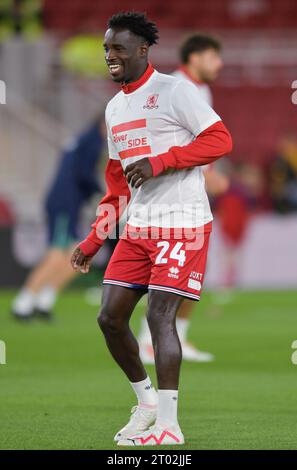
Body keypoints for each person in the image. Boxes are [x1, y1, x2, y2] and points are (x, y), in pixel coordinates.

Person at [71, 12, 232, 446]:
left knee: (160, 316)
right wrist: (93, 239)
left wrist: (162, 161)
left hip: (183, 224)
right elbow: (118, 184)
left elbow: (220, 140)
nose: (110, 56)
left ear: (143, 50)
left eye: (118, 48)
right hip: (138, 227)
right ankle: (145, 405)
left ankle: (169, 427)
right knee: (109, 318)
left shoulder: (175, 90)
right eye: (107, 48)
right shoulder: (115, 107)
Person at [138, 33, 229, 363]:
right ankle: (150, 341)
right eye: (213, 56)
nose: (219, 63)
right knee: (177, 268)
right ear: (195, 58)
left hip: (186, 187)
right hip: (173, 192)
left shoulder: (197, 89)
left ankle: (161, 339)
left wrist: (208, 172)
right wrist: (208, 175)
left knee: (183, 270)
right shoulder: (179, 88)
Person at [12, 115, 104, 320]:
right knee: (56, 255)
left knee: (77, 255)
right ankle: (23, 303)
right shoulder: (92, 142)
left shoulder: (82, 140)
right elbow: (84, 174)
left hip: (66, 204)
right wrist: (101, 193)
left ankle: (44, 300)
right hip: (64, 205)